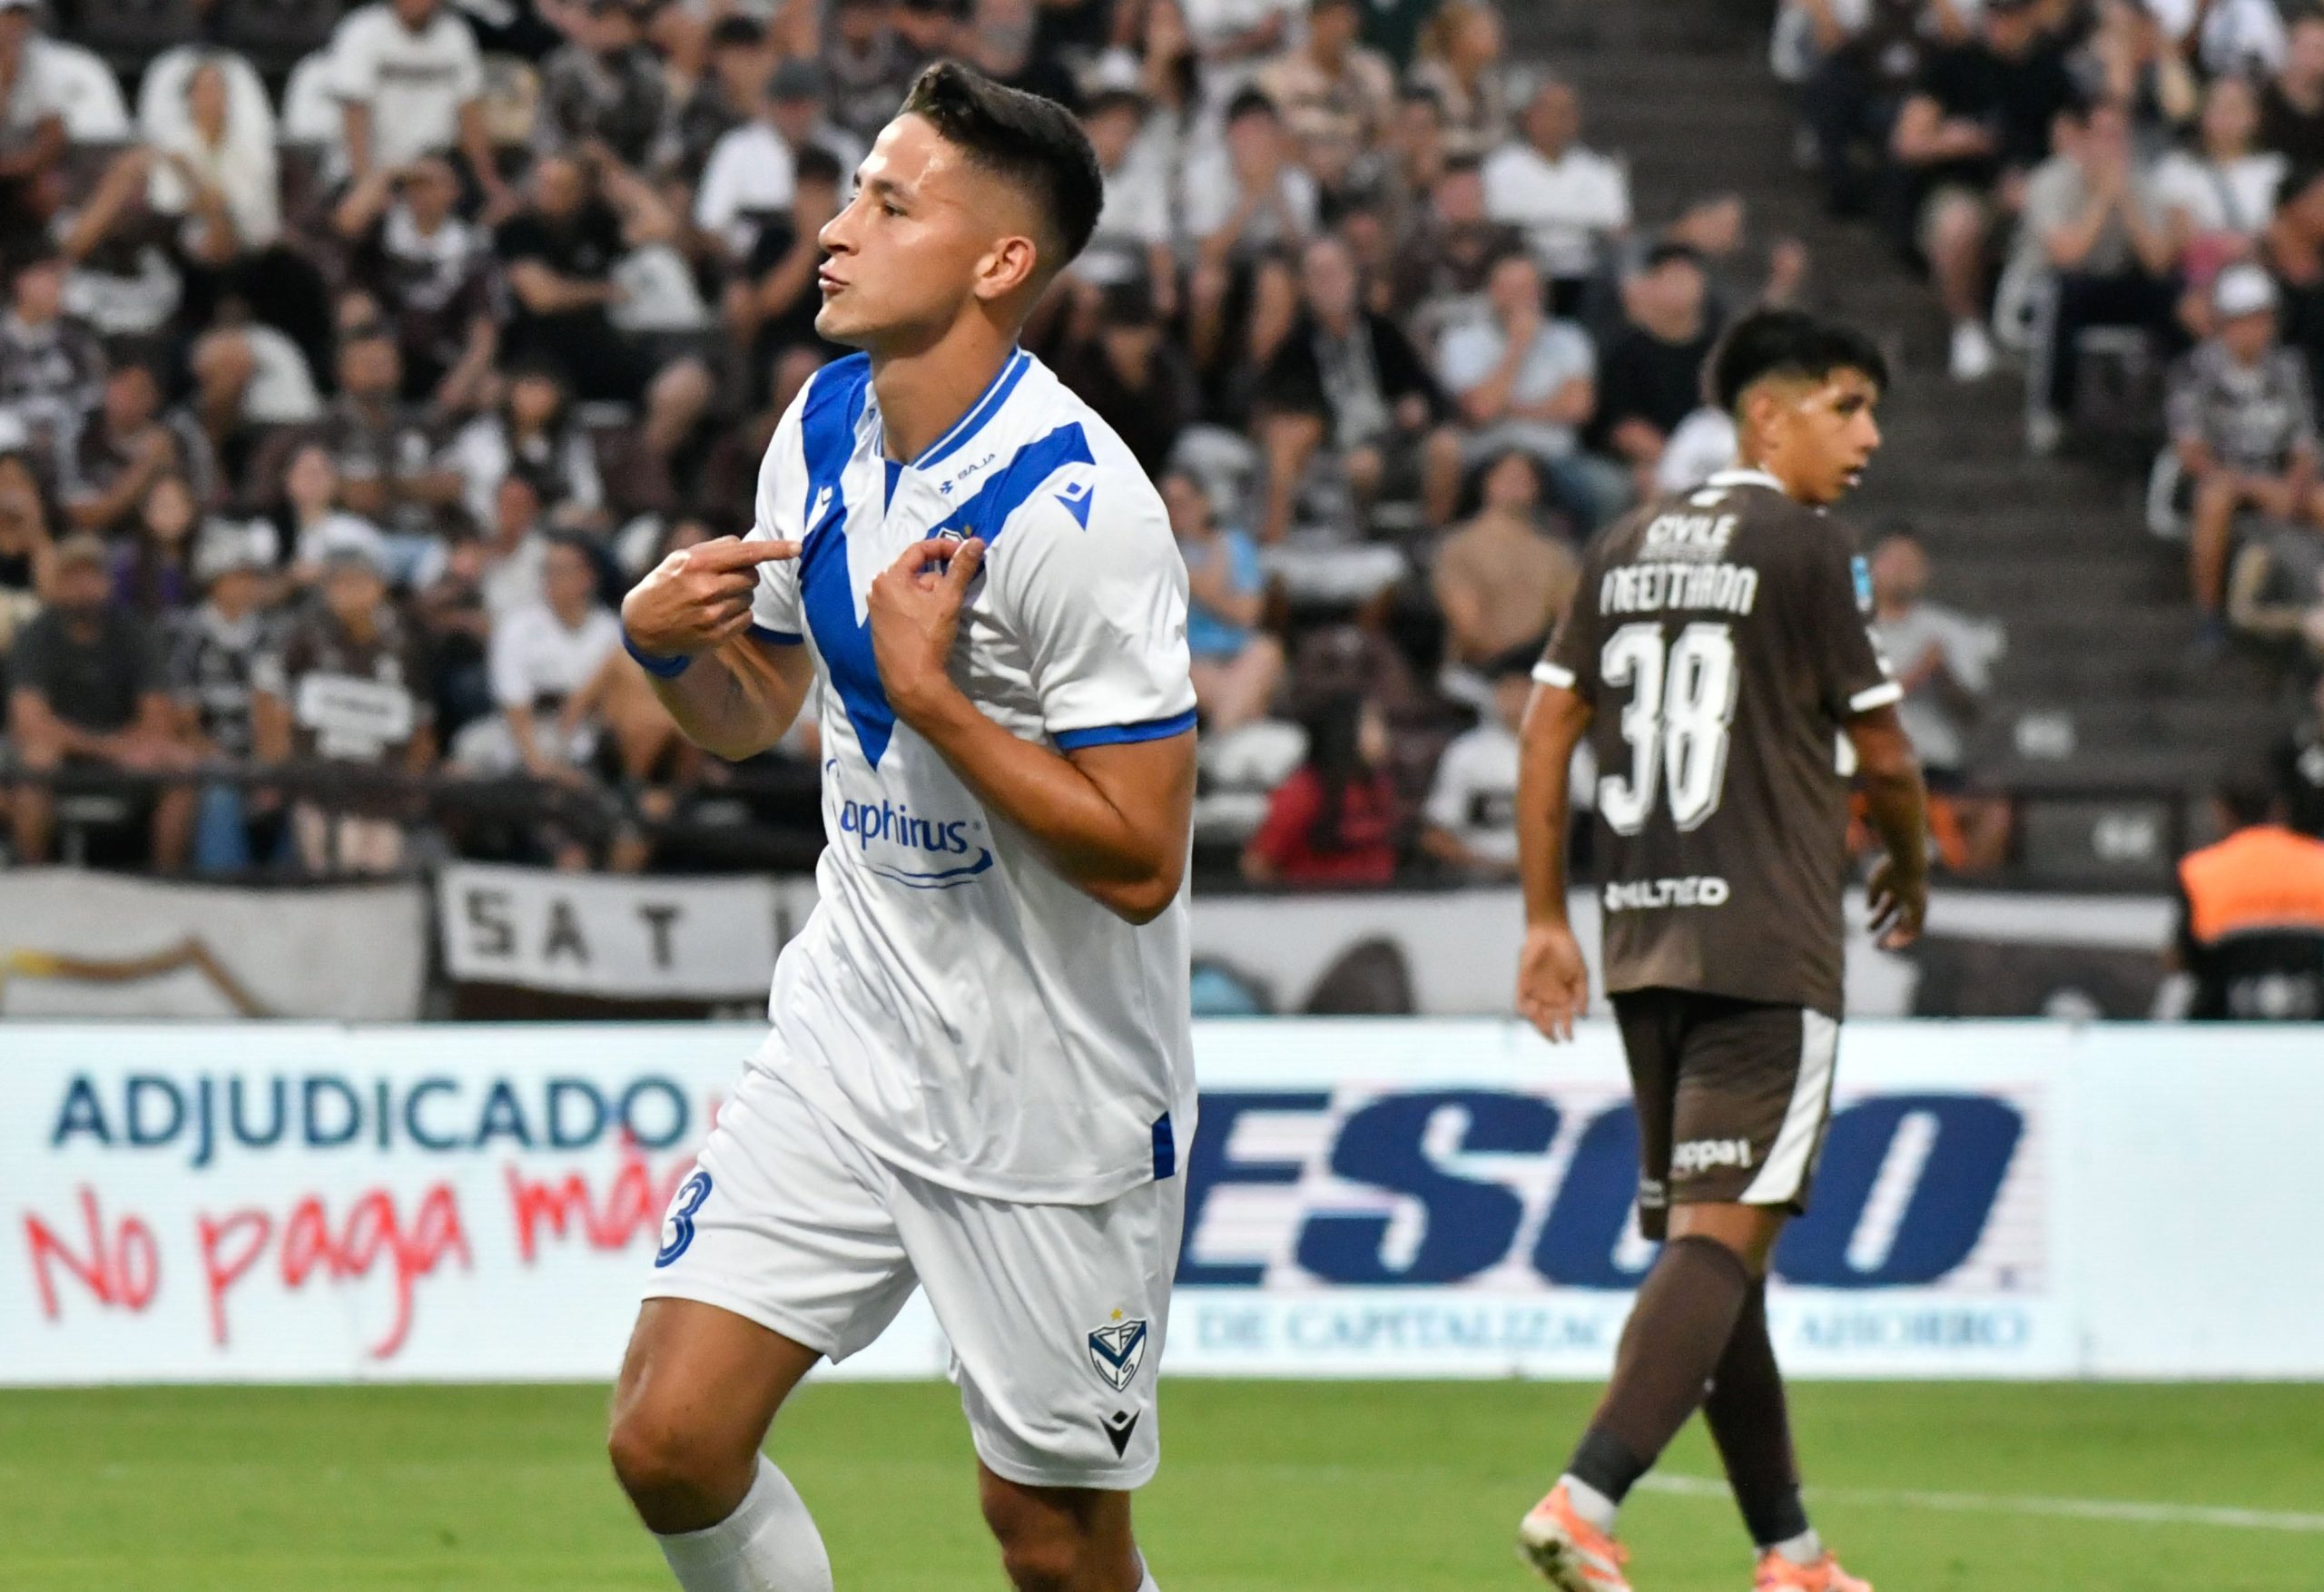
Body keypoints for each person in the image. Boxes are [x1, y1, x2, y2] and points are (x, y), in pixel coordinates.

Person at [608, 63, 1196, 1592]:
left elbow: (1143, 860)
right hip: (853, 1024)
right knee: (670, 1437)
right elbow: (758, 709)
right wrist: (668, 651)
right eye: (852, 191)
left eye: (888, 202)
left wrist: (938, 700)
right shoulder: (820, 424)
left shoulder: (1081, 507)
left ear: (1000, 262)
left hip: (1049, 1087)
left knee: (1053, 1544)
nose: (837, 227)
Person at [1511, 309, 1928, 1592]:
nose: (1868, 435)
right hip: (1768, 943)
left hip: (1646, 944)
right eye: (1846, 405)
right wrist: (1909, 865)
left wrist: (1545, 918)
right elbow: (1886, 755)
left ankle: (1789, 1552)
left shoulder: (1622, 543)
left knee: (1721, 1251)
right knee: (1717, 1244)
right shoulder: (1808, 547)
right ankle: (1586, 1497)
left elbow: (1546, 730)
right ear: (1767, 414)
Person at [7, 532, 196, 869]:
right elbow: (30, 722)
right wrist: (109, 748)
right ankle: (32, 876)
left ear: (108, 582)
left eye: (91, 575)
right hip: (65, 757)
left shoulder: (134, 632)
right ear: (56, 584)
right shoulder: (35, 635)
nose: (83, 586)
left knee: (180, 765)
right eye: (72, 576)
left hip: (126, 751)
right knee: (36, 760)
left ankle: (168, 880)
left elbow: (158, 716)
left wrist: (133, 747)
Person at [251, 542, 437, 876]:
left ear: (378, 587)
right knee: (337, 863)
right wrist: (275, 766)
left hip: (382, 789)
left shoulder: (402, 641)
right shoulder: (304, 634)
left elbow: (422, 721)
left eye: (358, 582)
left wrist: (413, 782)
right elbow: (267, 694)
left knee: (381, 871)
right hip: (319, 785)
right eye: (339, 583)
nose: (348, 592)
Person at [2164, 263, 2323, 628]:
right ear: (2224, 323)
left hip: (2277, 475)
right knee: (2213, 501)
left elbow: (2303, 442)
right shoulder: (2194, 370)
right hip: (2221, 477)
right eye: (2243, 321)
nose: (2253, 330)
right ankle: (2208, 615)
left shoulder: (2288, 369)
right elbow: (2191, 450)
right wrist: (2254, 486)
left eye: (2261, 319)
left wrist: (2293, 487)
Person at [2172, 772, 2324, 1019]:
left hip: (2225, 1022)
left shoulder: (2199, 871)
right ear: (2279, 809)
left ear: (2222, 811)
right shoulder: (2319, 862)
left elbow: (2186, 958)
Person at [1164, 467, 1279, 733]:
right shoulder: (1156, 550)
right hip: (1186, 657)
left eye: (1183, 502)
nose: (1176, 511)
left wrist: (1195, 581)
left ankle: (1220, 738)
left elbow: (1248, 614)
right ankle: (1229, 733)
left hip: (1235, 655)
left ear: (1204, 502)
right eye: (1168, 503)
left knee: (1267, 652)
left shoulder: (1235, 545)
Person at [1241, 688, 1397, 885]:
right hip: (1316, 900)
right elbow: (1257, 863)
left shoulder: (1379, 786)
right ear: (1347, 731)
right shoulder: (1303, 790)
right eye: (1374, 726)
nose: (1385, 736)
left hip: (1378, 899)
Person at [1420, 652, 1532, 880]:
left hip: (1560, 882)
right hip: (1476, 882)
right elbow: (1435, 836)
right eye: (1509, 691)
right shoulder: (1465, 753)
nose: (1516, 702)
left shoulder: (1570, 750)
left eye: (1524, 691)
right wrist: (1495, 867)